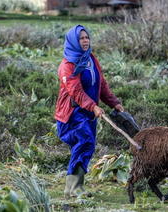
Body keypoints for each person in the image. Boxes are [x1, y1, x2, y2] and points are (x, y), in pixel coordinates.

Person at [54, 25, 124, 198]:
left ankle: (73, 187)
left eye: (87, 38)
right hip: (72, 113)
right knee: (84, 142)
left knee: (87, 145)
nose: (85, 41)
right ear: (73, 41)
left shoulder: (91, 58)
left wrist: (114, 103)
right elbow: (75, 91)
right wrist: (93, 106)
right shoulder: (68, 65)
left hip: (89, 112)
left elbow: (101, 84)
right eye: (81, 38)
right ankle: (75, 187)